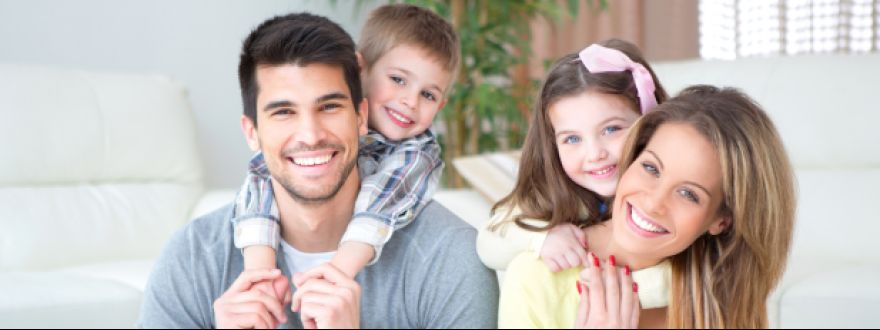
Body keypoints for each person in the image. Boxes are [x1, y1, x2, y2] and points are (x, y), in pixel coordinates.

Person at [136, 12, 498, 329]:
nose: (310, 135)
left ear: (360, 115)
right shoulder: (193, 258)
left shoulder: (449, 259)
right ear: (252, 132)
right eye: (283, 112)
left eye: (329, 107)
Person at [499, 85, 796, 328]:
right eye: (651, 169)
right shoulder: (537, 277)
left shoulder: (720, 296)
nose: (654, 203)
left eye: (688, 194)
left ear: (721, 221)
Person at [234, 4, 460, 282]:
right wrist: (258, 274)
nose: (410, 102)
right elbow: (261, 175)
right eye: (398, 79)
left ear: (441, 105)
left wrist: (337, 272)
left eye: (428, 95)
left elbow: (379, 206)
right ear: (360, 69)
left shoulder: (416, 154)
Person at [476, 40, 668, 273]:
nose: (595, 154)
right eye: (573, 139)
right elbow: (488, 244)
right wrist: (542, 240)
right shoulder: (555, 194)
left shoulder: (670, 195)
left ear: (649, 122)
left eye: (611, 129)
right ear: (552, 145)